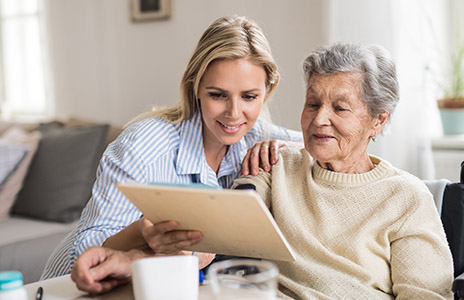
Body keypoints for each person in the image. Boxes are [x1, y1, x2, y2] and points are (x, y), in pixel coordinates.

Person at [41, 15, 302, 285]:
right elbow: (83, 253)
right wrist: (143, 232)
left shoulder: (259, 136)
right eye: (217, 95)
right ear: (196, 87)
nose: (234, 114)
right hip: (65, 288)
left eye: (249, 96)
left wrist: (286, 147)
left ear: (268, 91)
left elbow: (326, 144)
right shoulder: (142, 146)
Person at [232, 42, 454, 299]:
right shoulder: (275, 164)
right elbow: (225, 224)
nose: (319, 119)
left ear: (378, 120)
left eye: (340, 108)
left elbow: (425, 295)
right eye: (313, 104)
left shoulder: (406, 197)